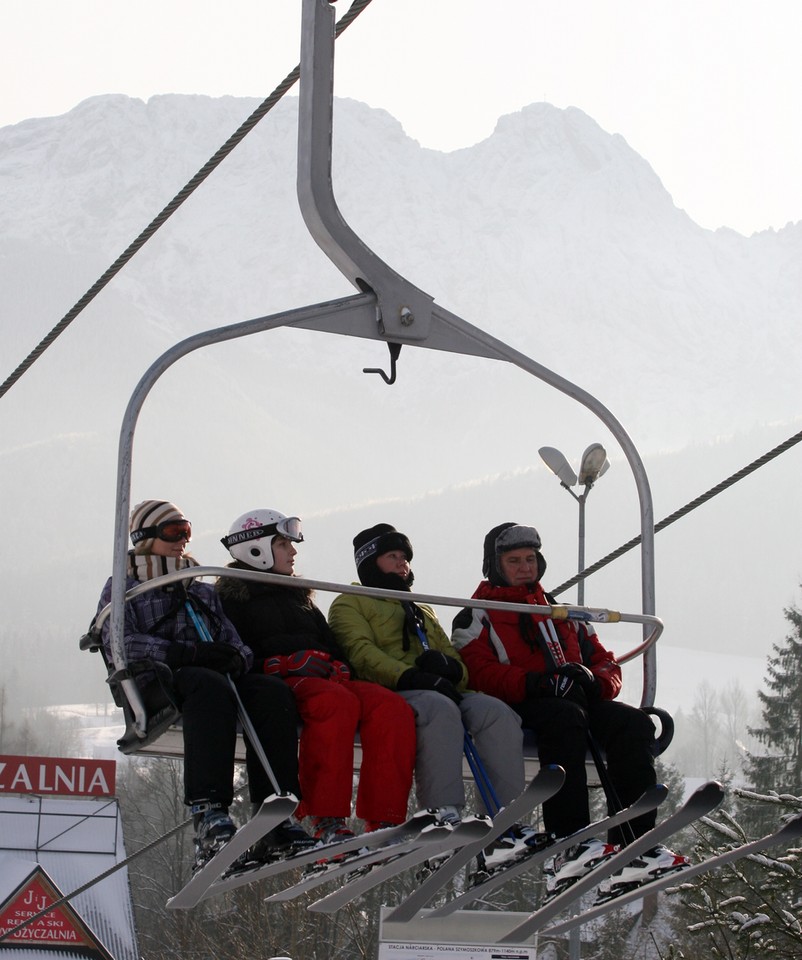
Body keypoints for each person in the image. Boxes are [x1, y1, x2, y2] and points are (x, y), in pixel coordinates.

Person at [451, 522, 689, 894]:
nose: (525, 567)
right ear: (495, 565)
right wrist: (537, 683)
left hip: (574, 699)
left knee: (634, 724)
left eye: (530, 559)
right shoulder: (478, 612)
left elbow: (607, 663)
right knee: (565, 719)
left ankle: (634, 844)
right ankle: (570, 840)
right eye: (514, 560)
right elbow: (478, 670)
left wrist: (592, 680)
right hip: (520, 704)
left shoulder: (562, 613)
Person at [97, 499, 314, 871]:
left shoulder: (200, 588)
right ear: (145, 538)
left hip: (207, 675)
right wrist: (184, 653)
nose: (182, 540)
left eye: (187, 532)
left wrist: (234, 656)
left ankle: (275, 810)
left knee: (270, 692)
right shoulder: (125, 586)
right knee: (207, 684)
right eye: (172, 532)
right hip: (158, 682)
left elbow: (236, 642)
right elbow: (118, 641)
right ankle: (209, 811)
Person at [216, 509, 417, 843]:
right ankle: (326, 818)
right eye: (283, 544)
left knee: (390, 707)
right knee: (334, 704)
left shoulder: (299, 597)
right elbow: (236, 649)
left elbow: (329, 642)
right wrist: (283, 663)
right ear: (256, 548)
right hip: (283, 681)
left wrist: (339, 664)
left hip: (322, 677)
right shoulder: (232, 597)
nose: (293, 552)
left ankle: (384, 819)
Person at [327, 523, 528, 846]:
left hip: (439, 687)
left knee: (496, 712)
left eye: (405, 557)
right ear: (369, 562)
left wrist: (450, 670)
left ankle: (504, 815)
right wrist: (410, 675)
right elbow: (360, 652)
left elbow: (452, 655)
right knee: (439, 710)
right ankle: (442, 809)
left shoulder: (421, 608)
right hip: (397, 688)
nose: (402, 563)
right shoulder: (351, 602)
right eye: (392, 556)